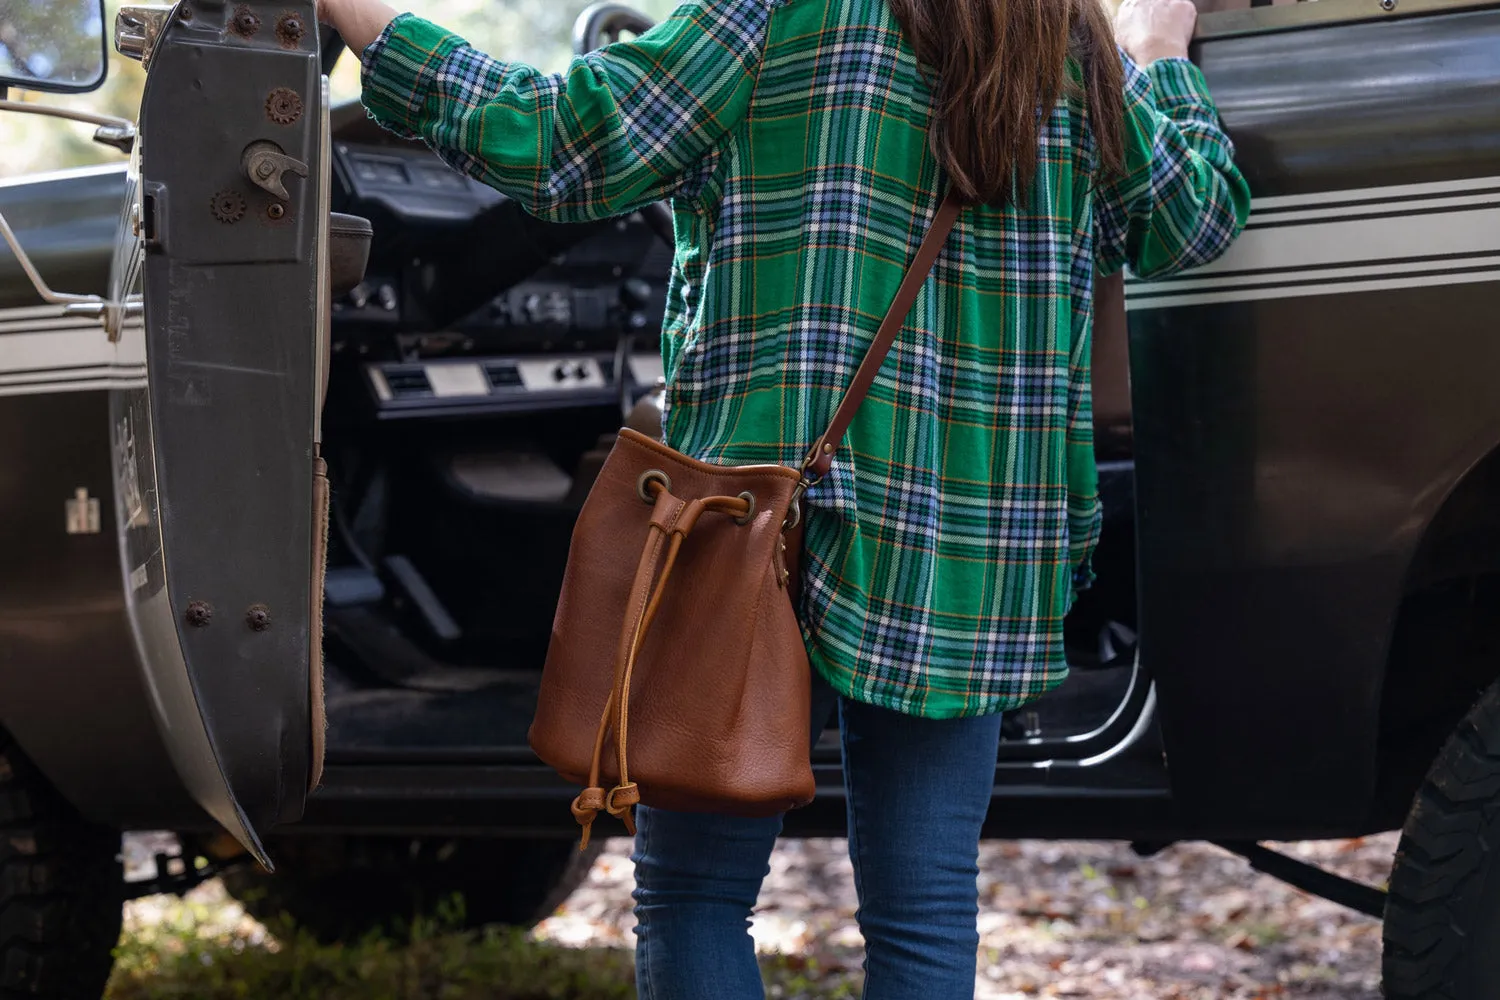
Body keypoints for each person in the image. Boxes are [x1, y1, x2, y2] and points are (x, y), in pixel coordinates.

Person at [317, 0, 1250, 993]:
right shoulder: (1066, 38)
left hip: (753, 525)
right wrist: (1158, 52)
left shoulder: (778, 9)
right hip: (977, 538)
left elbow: (558, 138)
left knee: (694, 896)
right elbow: (1193, 218)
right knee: (925, 908)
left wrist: (359, 13)